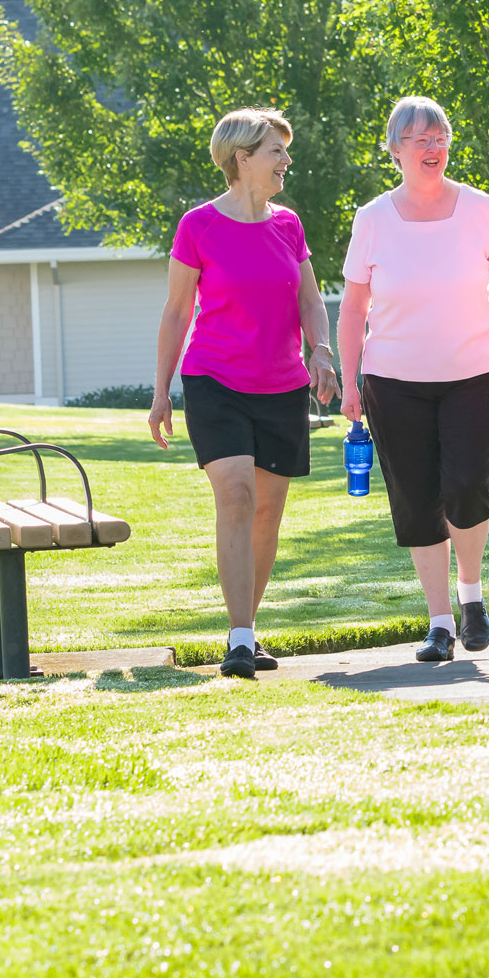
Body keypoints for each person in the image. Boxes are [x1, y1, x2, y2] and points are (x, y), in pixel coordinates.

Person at [337, 97, 489, 663]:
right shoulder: (372, 218)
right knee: (417, 499)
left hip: (474, 375)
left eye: (440, 136)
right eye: (419, 139)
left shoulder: (479, 208)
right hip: (393, 381)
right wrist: (351, 382)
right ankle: (440, 622)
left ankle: (471, 597)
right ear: (394, 149)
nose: (432, 147)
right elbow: (353, 308)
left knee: (469, 482)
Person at [149, 108, 341, 680]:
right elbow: (178, 309)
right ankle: (238, 637)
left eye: (284, 150)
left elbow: (309, 301)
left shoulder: (289, 225)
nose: (286, 160)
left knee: (266, 512)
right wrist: (161, 392)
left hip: (282, 385)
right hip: (214, 380)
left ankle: (246, 630)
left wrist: (321, 352)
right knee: (234, 494)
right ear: (242, 159)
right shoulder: (199, 226)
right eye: (276, 151)